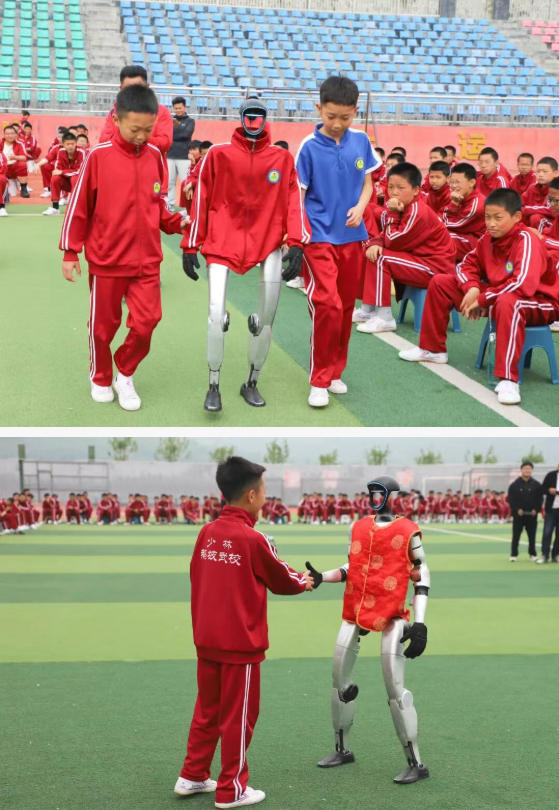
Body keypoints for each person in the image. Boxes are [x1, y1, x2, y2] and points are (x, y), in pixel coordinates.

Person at [174, 456, 312, 808]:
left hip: (207, 640)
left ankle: (192, 775)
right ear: (251, 495)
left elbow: (196, 576)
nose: (265, 496)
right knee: (239, 718)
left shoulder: (206, 533)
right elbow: (283, 579)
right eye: (263, 489)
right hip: (240, 646)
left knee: (207, 711)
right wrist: (306, 581)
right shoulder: (253, 539)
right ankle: (231, 789)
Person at [59, 84, 187, 411]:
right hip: (107, 261)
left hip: (147, 261)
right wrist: (71, 251)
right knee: (103, 328)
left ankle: (125, 372)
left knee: (148, 322)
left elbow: (157, 204)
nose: (142, 136)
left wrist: (178, 222)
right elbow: (79, 206)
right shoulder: (97, 157)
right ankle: (101, 376)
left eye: (148, 129)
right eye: (135, 129)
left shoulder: (155, 156)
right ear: (116, 120)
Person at [181, 96, 310, 412]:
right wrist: (191, 243)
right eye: (249, 115)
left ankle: (251, 382)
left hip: (267, 241)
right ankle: (213, 386)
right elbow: (201, 198)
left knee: (265, 319)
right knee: (216, 317)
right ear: (241, 118)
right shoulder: (218, 154)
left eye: (259, 115)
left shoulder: (281, 159)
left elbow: (293, 201)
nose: (254, 121)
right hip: (222, 240)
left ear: (266, 118)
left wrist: (297, 242)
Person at [305, 475, 430, 784]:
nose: (374, 498)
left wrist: (420, 623)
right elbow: (353, 566)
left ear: (392, 496)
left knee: (394, 688)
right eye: (371, 493)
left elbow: (421, 574)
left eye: (379, 493)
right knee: (339, 679)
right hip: (357, 608)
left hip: (391, 612)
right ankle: (342, 749)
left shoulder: (408, 530)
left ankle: (416, 762)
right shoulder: (358, 527)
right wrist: (323, 577)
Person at [399, 188, 559, 406]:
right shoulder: (488, 238)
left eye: (498, 218)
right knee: (441, 282)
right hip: (501, 295)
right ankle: (432, 349)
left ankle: (508, 379)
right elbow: (466, 265)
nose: (491, 223)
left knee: (508, 301)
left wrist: (483, 300)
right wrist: (472, 288)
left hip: (542, 301)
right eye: (487, 217)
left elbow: (523, 285)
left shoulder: (526, 239)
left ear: (517, 217)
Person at [295, 75, 380, 407]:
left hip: (352, 237)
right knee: (327, 304)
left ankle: (334, 372)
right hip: (319, 237)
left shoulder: (361, 141)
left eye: (345, 117)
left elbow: (368, 184)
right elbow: (298, 196)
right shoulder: (308, 147)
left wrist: (361, 207)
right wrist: (298, 238)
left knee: (345, 308)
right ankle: (318, 379)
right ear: (319, 109)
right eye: (331, 116)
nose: (337, 124)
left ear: (355, 112)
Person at [356, 162, 455, 334]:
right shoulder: (405, 206)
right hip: (419, 260)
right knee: (372, 251)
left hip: (436, 268)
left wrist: (392, 214)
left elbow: (392, 241)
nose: (394, 192)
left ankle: (385, 318)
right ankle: (368, 309)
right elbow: (385, 235)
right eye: (391, 187)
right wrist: (376, 242)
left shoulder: (417, 211)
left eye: (401, 188)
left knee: (380, 257)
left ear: (416, 190)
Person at [98, 64, 173, 196]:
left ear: (147, 87)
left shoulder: (161, 112)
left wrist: (135, 137)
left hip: (152, 182)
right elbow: (104, 140)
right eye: (128, 89)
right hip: (119, 180)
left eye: (137, 88)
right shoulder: (115, 113)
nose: (133, 93)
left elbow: (165, 143)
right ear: (121, 89)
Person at [442, 162, 486, 262]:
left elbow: (448, 224)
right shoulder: (458, 196)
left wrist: (453, 204)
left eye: (457, 182)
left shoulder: (476, 205)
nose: (453, 186)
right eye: (452, 182)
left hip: (477, 243)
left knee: (442, 237)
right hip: (463, 236)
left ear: (472, 182)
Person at [42, 132, 85, 216]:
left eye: (72, 144)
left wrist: (63, 172)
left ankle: (77, 207)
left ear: (76, 143)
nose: (70, 146)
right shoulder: (61, 152)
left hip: (81, 184)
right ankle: (55, 208)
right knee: (55, 178)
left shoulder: (82, 152)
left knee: (75, 178)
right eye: (68, 144)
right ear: (63, 144)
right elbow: (57, 169)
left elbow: (80, 171)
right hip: (67, 182)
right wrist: (62, 172)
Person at [507, 461, 542, 561]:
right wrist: (517, 509)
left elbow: (540, 499)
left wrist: (536, 510)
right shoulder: (514, 485)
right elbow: (511, 500)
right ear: (521, 470)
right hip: (519, 515)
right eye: (525, 468)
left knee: (532, 536)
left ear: (532, 470)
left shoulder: (537, 485)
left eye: (529, 469)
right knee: (516, 535)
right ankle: (514, 555)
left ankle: (532, 554)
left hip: (532, 515)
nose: (527, 470)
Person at [167, 95, 195, 209]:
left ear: (184, 107)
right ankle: (170, 205)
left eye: (180, 108)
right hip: (170, 155)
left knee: (185, 183)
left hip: (184, 157)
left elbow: (186, 134)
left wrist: (174, 131)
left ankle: (186, 208)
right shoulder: (169, 120)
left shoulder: (190, 121)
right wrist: (179, 130)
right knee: (170, 182)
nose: (178, 110)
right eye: (176, 108)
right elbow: (167, 134)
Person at [521, 156, 559, 229]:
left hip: (554, 222)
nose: (540, 175)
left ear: (556, 173)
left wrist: (525, 210)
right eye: (538, 171)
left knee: (535, 218)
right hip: (536, 220)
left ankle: (539, 236)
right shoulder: (532, 187)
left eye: (545, 172)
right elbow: (520, 203)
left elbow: (550, 210)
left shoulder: (555, 190)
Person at [537, 463, 559, 563]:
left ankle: (555, 555)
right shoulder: (551, 475)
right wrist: (549, 490)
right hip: (551, 510)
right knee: (547, 532)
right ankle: (545, 555)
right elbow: (542, 489)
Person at [1, 124, 30, 197]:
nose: (10, 136)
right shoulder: (0, 144)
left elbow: (24, 157)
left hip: (13, 169)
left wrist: (15, 157)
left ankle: (23, 188)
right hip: (2, 169)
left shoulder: (20, 144)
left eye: (12, 133)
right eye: (7, 134)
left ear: (16, 135)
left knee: (22, 164)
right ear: (4, 135)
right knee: (9, 194)